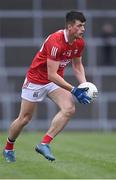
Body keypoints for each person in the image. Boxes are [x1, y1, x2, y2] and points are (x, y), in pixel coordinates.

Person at [3, 10, 91, 162]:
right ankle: (8, 147)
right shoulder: (56, 41)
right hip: (36, 81)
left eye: (84, 26)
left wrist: (84, 85)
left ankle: (44, 143)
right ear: (70, 27)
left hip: (54, 82)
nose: (83, 29)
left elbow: (77, 66)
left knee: (69, 109)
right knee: (24, 118)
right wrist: (74, 90)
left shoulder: (79, 42)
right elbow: (51, 74)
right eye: (79, 26)